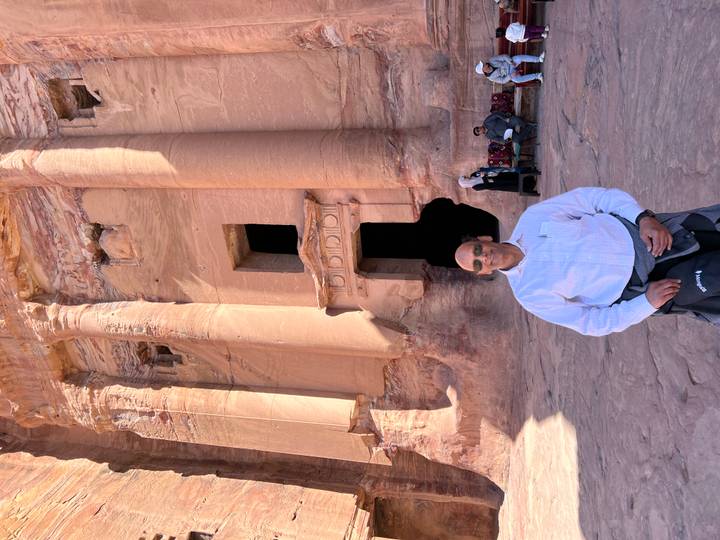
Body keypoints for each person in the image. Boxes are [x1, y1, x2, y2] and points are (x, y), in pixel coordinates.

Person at [454, 187, 720, 336]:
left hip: (651, 234)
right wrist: (646, 303)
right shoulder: (529, 294)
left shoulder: (533, 219)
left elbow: (597, 199)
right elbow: (590, 322)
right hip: (646, 286)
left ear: (484, 238)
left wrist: (643, 218)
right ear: (482, 272)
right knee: (712, 278)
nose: (483, 257)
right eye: (477, 263)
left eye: (478, 250)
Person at [457, 168, 539, 196]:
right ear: (465, 183)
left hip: (495, 175)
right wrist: (484, 177)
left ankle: (529, 177)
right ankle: (529, 185)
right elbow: (486, 186)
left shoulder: (473, 175)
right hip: (495, 183)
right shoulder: (475, 187)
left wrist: (484, 173)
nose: (466, 176)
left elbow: (481, 172)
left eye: (464, 176)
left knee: (511, 175)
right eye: (464, 178)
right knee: (511, 183)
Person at [476, 53, 545, 85]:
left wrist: (510, 61)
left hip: (510, 64)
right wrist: (511, 76)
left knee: (517, 58)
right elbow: (502, 81)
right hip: (510, 74)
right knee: (517, 80)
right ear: (484, 71)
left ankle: (539, 59)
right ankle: (538, 76)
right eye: (483, 65)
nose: (484, 64)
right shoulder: (491, 77)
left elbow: (503, 57)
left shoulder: (491, 60)